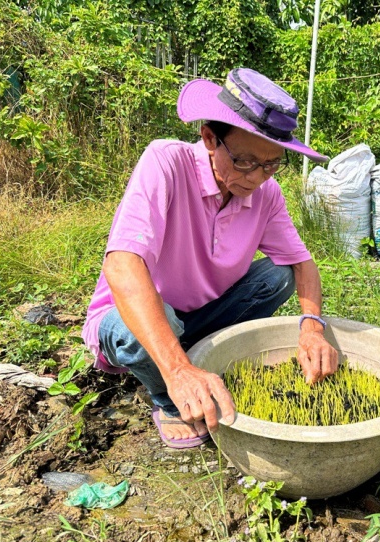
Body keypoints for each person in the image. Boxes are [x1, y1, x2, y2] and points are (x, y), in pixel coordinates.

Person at [82, 68, 339, 449]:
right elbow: (122, 264)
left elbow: (302, 264)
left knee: (279, 274)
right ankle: (167, 395)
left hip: (205, 314)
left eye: (271, 165)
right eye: (245, 162)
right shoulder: (166, 163)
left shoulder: (267, 195)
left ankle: (197, 353)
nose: (257, 178)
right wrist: (178, 370)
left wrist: (312, 328)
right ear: (208, 138)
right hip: (139, 321)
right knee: (139, 327)